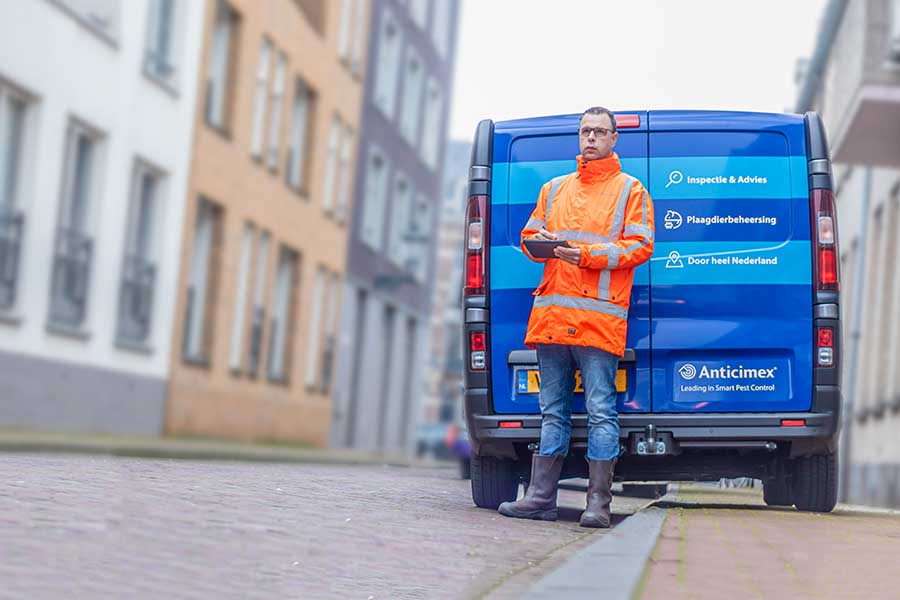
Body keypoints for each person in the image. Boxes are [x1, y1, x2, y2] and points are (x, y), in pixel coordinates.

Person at [498, 107, 655, 528]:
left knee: (602, 409)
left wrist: (585, 255)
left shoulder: (631, 190)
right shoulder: (553, 189)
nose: (591, 138)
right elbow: (529, 236)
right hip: (552, 320)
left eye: (600, 132)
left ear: (613, 139)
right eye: (585, 131)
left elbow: (640, 247)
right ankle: (541, 499)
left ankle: (598, 505)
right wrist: (540, 243)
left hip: (598, 323)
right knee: (552, 411)